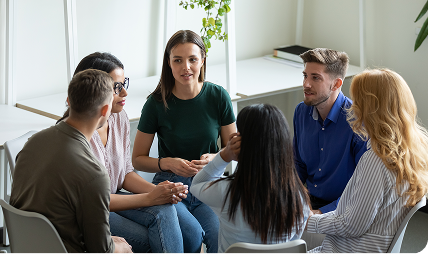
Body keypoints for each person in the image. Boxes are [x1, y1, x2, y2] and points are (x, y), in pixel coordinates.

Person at [58, 52, 195, 254]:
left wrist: (157, 191)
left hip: (115, 198)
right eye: (117, 87)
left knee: (182, 227)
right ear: (95, 90)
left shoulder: (119, 117)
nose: (124, 94)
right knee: (155, 240)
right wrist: (151, 197)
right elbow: (95, 201)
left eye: (124, 84)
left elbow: (125, 174)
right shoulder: (75, 136)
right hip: (90, 213)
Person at [132, 30, 237, 254]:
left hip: (208, 184)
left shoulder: (218, 96)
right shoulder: (156, 103)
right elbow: (137, 159)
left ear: (203, 60)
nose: (185, 67)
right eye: (177, 60)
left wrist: (215, 158)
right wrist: (167, 163)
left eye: (192, 59)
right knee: (192, 236)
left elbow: (233, 150)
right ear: (168, 63)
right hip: (171, 185)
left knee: (220, 238)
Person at [306, 68, 428, 253]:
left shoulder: (377, 161)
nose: (352, 107)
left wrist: (307, 220)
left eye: (357, 101)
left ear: (370, 108)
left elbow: (352, 226)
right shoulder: (414, 149)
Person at [10, 69, 132, 254]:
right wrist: (120, 248)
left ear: (69, 100)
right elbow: (102, 251)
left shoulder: (33, 142)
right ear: (105, 110)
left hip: (29, 245)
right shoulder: (94, 174)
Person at [191, 104, 311, 254]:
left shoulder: (227, 193)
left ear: (242, 144)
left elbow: (196, 184)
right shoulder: (298, 198)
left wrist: (224, 155)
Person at [293, 48, 367, 214]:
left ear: (337, 84)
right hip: (308, 202)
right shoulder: (301, 112)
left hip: (344, 208)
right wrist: (292, 197)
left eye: (315, 78)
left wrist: (323, 212)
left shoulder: (357, 120)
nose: (306, 84)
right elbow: (298, 164)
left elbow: (363, 186)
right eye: (305, 76)